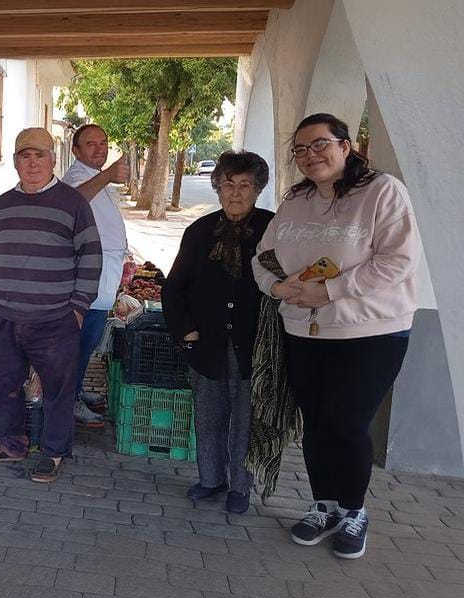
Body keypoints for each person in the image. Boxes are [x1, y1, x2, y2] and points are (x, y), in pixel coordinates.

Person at [252, 113, 419, 559]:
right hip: (304, 331)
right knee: (318, 424)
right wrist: (277, 287)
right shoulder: (297, 200)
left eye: (320, 144)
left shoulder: (382, 192)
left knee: (347, 422)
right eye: (301, 149)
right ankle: (322, 505)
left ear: (346, 146)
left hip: (369, 332)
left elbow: (398, 260)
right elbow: (263, 255)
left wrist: (330, 290)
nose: (311, 155)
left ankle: (354, 511)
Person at [0, 127, 102, 483]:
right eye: (24, 156)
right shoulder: (3, 205)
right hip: (5, 318)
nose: (32, 163)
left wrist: (77, 307)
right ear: (15, 163)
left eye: (39, 155)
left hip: (55, 319)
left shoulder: (72, 203)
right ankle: (11, 444)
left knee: (58, 390)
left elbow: (91, 257)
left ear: (53, 160)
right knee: (6, 384)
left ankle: (54, 452)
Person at [161, 150, 273, 515]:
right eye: (228, 185)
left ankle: (241, 486)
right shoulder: (199, 232)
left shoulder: (273, 231)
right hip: (206, 342)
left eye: (244, 185)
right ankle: (211, 478)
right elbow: (173, 288)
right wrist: (186, 333)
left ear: (257, 190)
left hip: (253, 346)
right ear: (217, 188)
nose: (235, 193)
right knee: (208, 415)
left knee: (246, 420)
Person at [60, 124, 130, 425]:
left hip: (106, 270)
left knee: (88, 339)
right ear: (76, 150)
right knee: (82, 339)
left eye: (104, 143)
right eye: (91, 144)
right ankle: (69, 400)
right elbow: (73, 202)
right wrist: (108, 176)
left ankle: (75, 391)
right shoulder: (78, 176)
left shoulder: (93, 176)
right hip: (91, 273)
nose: (100, 149)